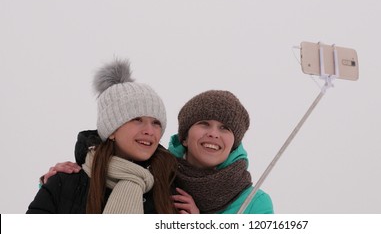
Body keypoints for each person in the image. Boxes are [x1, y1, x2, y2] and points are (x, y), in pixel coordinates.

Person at [41, 90, 274, 214]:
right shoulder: (159, 179)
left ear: (235, 141)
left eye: (225, 128)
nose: (213, 134)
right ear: (183, 135)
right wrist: (53, 184)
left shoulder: (255, 202)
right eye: (204, 123)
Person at [27, 58, 197, 214]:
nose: (149, 131)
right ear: (112, 130)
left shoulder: (171, 190)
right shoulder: (65, 182)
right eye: (137, 119)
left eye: (156, 123)